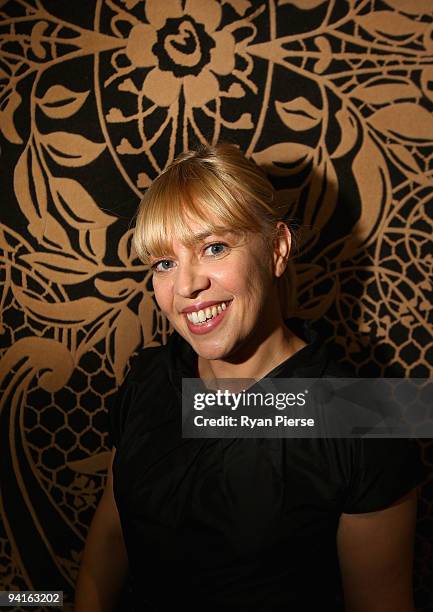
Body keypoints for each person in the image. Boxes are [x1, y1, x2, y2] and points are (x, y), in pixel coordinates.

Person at [75, 143, 424, 612]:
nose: (186, 287)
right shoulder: (150, 381)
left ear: (278, 248)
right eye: (164, 263)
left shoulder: (364, 418)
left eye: (214, 247)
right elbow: (112, 534)